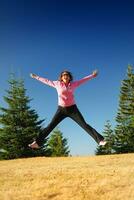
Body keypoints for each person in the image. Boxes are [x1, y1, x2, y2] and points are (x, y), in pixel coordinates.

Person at [28, 70, 106, 149]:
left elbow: (83, 80)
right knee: (51, 126)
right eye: (64, 75)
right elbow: (46, 81)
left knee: (84, 125)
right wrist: (36, 77)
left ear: (69, 77)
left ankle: (100, 140)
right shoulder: (57, 84)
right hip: (61, 109)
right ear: (61, 77)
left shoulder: (73, 84)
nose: (65, 76)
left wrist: (92, 76)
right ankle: (37, 143)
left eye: (67, 75)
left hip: (72, 109)